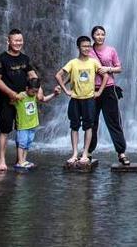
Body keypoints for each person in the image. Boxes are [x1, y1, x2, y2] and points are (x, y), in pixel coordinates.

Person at [0, 28, 41, 171]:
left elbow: (33, 76)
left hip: (24, 101)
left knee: (23, 129)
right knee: (5, 129)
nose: (18, 43)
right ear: (8, 41)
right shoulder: (1, 59)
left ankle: (21, 160)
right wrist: (11, 93)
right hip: (7, 100)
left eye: (20, 40)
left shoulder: (24, 58)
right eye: (15, 40)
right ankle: (1, 160)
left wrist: (39, 91)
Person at [55, 36, 108, 165]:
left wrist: (99, 92)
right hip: (75, 99)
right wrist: (66, 90)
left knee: (88, 126)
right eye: (84, 46)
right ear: (78, 47)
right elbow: (58, 75)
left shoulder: (94, 62)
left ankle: (84, 153)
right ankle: (74, 153)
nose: (87, 48)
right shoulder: (72, 62)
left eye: (88, 46)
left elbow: (105, 76)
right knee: (74, 126)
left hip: (89, 99)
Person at [88, 25, 130, 166]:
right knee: (91, 121)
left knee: (113, 121)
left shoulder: (111, 50)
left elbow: (119, 68)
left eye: (102, 34)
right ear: (93, 36)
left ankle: (121, 152)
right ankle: (88, 151)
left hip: (109, 89)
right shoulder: (88, 51)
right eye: (97, 34)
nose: (100, 36)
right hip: (92, 90)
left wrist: (109, 68)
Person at [10, 77, 56, 169]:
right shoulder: (21, 96)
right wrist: (15, 97)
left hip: (32, 125)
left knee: (27, 144)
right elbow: (11, 101)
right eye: (33, 91)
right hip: (23, 125)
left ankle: (24, 160)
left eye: (36, 91)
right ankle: (19, 162)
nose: (34, 94)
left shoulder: (34, 96)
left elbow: (44, 99)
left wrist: (54, 94)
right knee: (21, 144)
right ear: (27, 88)